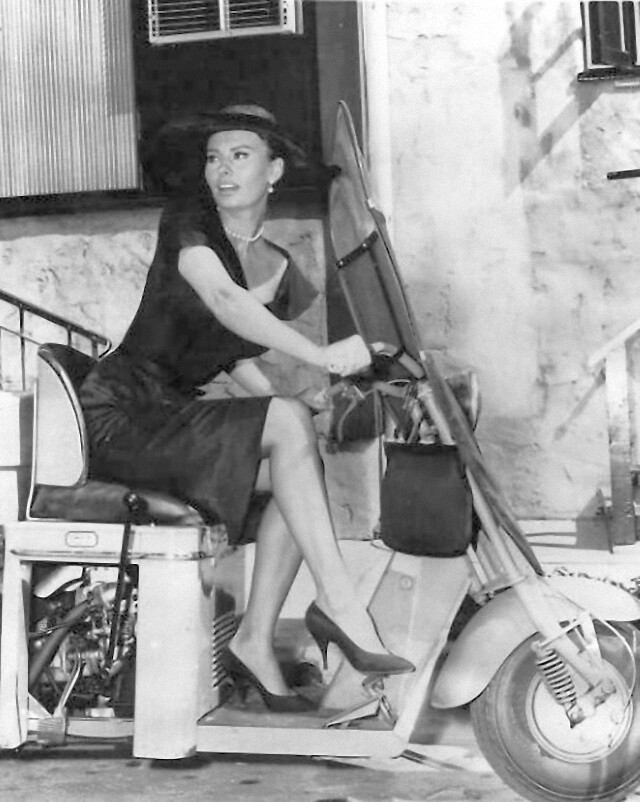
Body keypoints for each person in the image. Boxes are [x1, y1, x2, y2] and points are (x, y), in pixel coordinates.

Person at [79, 104, 414, 712]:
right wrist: (319, 357)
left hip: (168, 421)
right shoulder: (190, 223)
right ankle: (341, 604)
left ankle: (255, 639)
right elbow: (223, 300)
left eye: (240, 155)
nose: (223, 170)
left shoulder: (274, 266)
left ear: (275, 169)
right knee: (286, 425)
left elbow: (233, 360)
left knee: (296, 455)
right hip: (121, 418)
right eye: (214, 157)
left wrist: (305, 403)